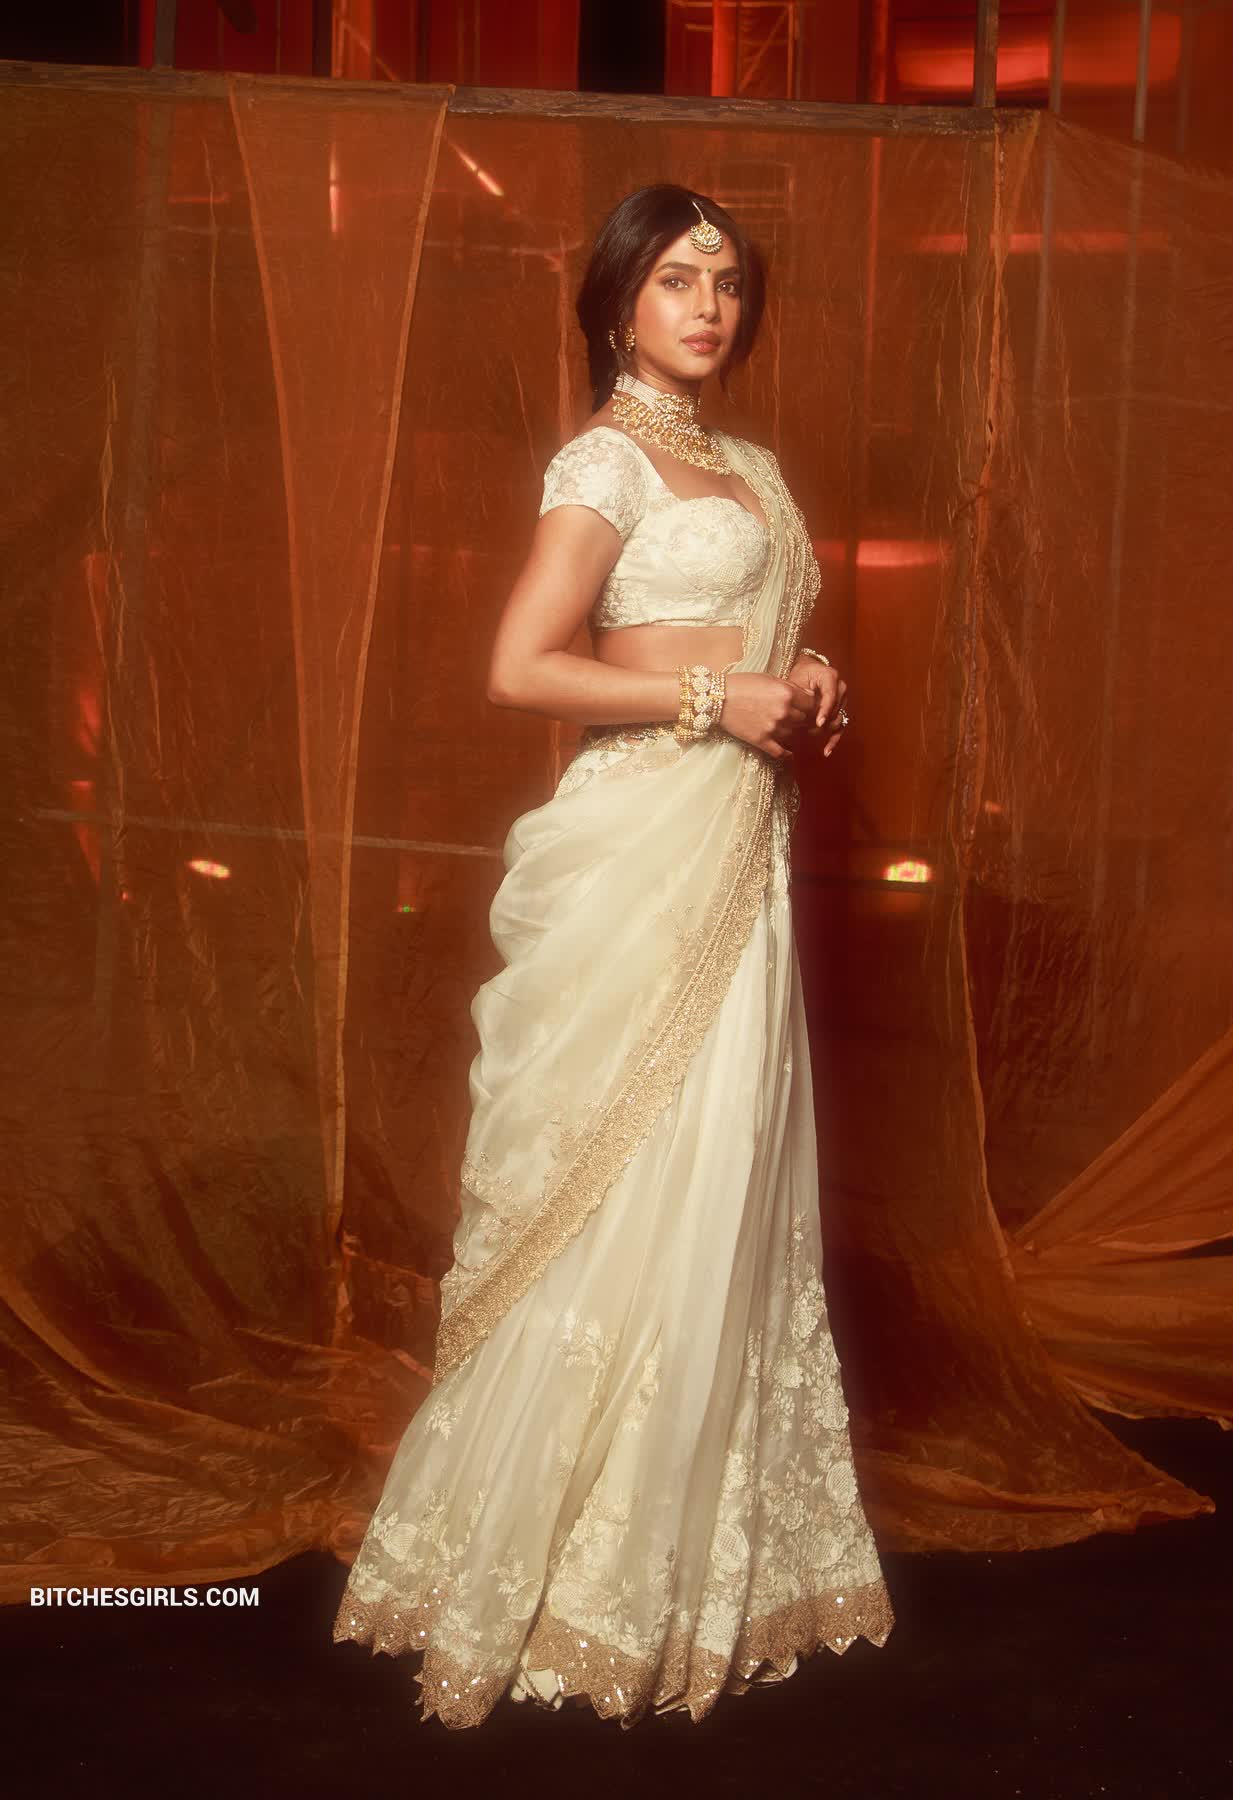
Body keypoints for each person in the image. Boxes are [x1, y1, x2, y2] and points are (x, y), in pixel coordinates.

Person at [333, 184, 895, 1729]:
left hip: (738, 852)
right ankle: (555, 1552)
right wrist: (722, 700)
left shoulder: (754, 471)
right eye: (675, 281)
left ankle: (684, 1545)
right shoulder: (603, 461)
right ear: (616, 305)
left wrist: (807, 677)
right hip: (638, 846)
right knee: (622, 1162)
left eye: (727, 282)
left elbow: (742, 636)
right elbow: (522, 667)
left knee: (720, 1164)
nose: (707, 307)